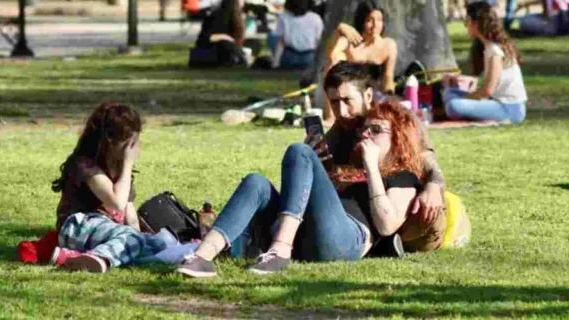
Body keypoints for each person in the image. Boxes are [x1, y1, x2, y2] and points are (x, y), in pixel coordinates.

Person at [177, 99, 425, 278]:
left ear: (398, 138)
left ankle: (280, 251)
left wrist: (371, 166)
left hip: (345, 239)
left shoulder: (403, 176)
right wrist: (319, 165)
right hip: (307, 234)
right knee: (256, 182)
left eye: (376, 130)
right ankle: (202, 256)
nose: (366, 134)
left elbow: (387, 225)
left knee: (300, 152)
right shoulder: (350, 167)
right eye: (364, 129)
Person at [316, 62, 447, 253]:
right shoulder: (336, 136)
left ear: (368, 95)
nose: (342, 111)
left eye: (348, 100)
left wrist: (433, 187)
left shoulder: (394, 118)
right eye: (334, 102)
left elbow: (428, 162)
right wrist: (314, 157)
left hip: (406, 201)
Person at [50, 103, 171, 273]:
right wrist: (128, 164)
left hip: (108, 230)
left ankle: (72, 257)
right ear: (110, 141)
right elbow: (117, 204)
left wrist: (140, 237)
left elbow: (130, 216)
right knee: (131, 238)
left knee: (158, 243)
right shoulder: (85, 165)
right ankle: (99, 257)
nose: (133, 148)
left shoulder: (121, 173)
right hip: (77, 226)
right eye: (129, 143)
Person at [443, 1, 527, 124]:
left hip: (510, 108)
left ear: (476, 24)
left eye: (467, 22)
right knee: (449, 92)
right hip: (496, 102)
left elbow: (487, 91)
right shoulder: (487, 47)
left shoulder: (494, 50)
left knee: (453, 106)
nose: (466, 26)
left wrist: (465, 99)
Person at [323, 1, 398, 94]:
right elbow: (330, 55)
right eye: (369, 20)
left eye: (379, 20)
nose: (375, 25)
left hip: (375, 95)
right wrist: (338, 30)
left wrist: (389, 94)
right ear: (361, 22)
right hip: (347, 93)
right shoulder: (349, 43)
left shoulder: (388, 45)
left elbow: (388, 77)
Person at [189, 0, 251, 68]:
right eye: (241, 1)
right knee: (225, 43)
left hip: (230, 47)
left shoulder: (237, 17)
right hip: (211, 49)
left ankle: (242, 57)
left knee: (253, 42)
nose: (243, 3)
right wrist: (226, 37)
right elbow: (206, 37)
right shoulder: (217, 16)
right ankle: (242, 58)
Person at [270, 0, 324, 69]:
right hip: (309, 58)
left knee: (272, 36)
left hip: (289, 58)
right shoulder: (316, 18)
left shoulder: (283, 17)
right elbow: (318, 42)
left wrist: (275, 63)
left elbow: (280, 42)